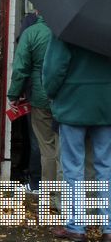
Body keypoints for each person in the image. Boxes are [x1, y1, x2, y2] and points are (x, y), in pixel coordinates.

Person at [43, 34, 111, 242]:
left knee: (73, 169)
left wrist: (52, 94)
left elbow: (54, 71)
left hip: (73, 104)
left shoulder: (66, 29)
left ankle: (76, 227)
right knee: (106, 168)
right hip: (106, 105)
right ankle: (108, 228)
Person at [7, 9, 58, 194]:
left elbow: (20, 68)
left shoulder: (32, 33)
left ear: (37, 11)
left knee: (43, 143)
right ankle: (65, 190)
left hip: (40, 96)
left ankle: (44, 186)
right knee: (64, 143)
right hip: (65, 97)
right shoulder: (65, 32)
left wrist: (14, 94)